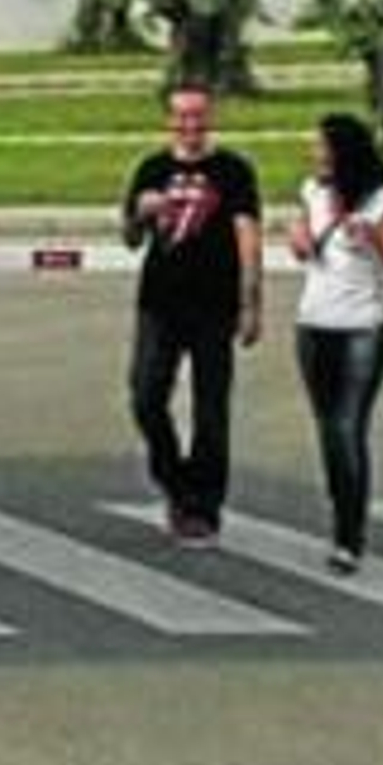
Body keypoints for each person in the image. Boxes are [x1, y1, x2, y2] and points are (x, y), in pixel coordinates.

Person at [122, 84, 263, 546]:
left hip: (213, 304)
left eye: (198, 116)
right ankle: (176, 482)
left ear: (211, 118)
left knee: (211, 409)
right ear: (168, 120)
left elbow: (248, 234)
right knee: (146, 396)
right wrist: (142, 214)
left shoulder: (233, 170)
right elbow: (129, 238)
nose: (191, 125)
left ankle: (203, 507)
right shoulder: (152, 168)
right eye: (182, 116)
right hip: (159, 303)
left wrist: (250, 301)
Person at [288, 112, 383, 573]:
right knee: (328, 429)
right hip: (313, 323)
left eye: (320, 147)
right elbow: (303, 242)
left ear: (344, 152)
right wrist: (299, 238)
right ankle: (341, 512)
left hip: (361, 327)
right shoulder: (312, 190)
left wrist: (376, 237)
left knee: (347, 428)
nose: (313, 154)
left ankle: (349, 535)